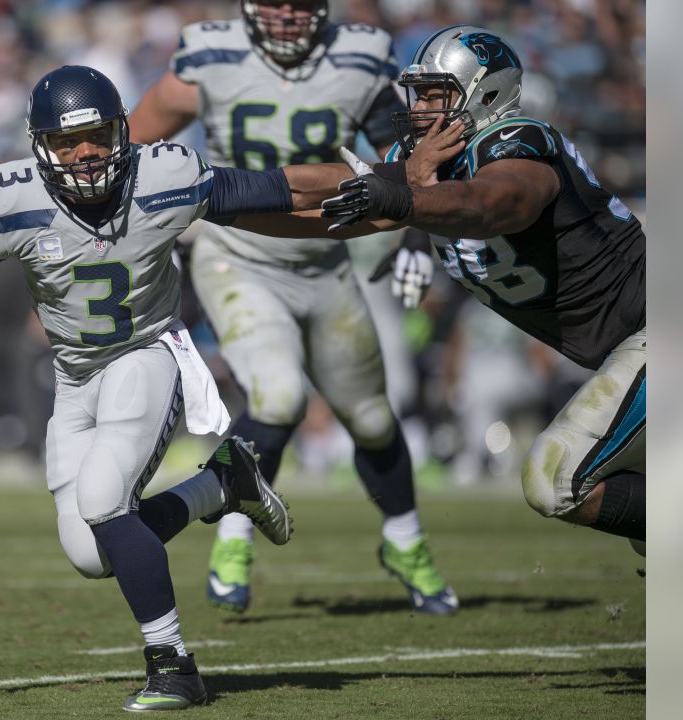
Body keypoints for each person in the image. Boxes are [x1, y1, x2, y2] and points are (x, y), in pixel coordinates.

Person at [0, 65, 362, 711]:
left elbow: (281, 189)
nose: (86, 154)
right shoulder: (15, 201)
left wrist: (389, 183)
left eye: (99, 136)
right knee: (89, 552)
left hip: (147, 352)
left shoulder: (163, 179)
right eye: (68, 142)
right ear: (40, 146)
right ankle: (222, 483)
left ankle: (174, 667)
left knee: (105, 501)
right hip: (75, 378)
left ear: (122, 132)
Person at [127, 0, 457, 615]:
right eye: (272, 2)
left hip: (325, 262)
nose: (284, 15)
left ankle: (405, 542)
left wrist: (418, 232)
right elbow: (132, 147)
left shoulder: (359, 56)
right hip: (237, 256)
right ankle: (233, 535)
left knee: (373, 418)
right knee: (277, 396)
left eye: (298, 4)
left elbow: (414, 160)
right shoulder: (210, 52)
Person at [321, 26, 646, 548]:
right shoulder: (434, 169)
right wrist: (223, 194)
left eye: (436, 94)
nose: (421, 108)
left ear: (485, 93)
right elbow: (315, 195)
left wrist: (403, 204)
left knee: (556, 479)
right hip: (622, 351)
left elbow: (497, 204)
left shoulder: (518, 140)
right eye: (418, 94)